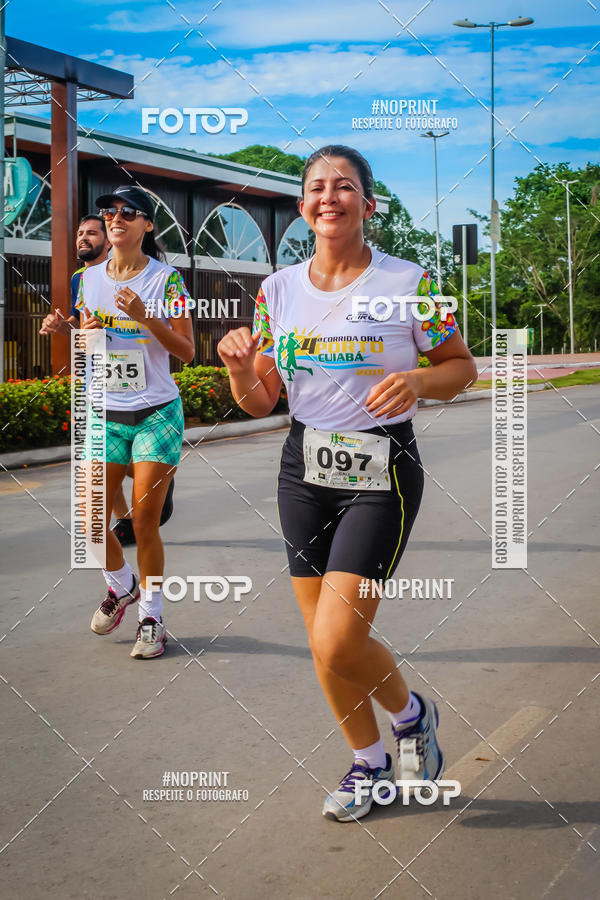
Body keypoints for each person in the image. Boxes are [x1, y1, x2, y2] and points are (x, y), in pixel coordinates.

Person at [218, 146, 477, 821]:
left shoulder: (411, 282)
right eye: (315, 188)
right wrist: (242, 370)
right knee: (324, 644)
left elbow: (461, 367)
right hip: (303, 467)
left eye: (344, 187)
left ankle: (412, 715)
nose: (328, 197)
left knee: (338, 639)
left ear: (368, 203)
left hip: (379, 469)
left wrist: (419, 379)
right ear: (302, 206)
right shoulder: (277, 290)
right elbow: (261, 399)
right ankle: (370, 765)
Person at [79, 185, 194, 659]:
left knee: (144, 520)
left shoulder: (168, 282)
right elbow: (87, 353)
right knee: (89, 521)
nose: (116, 217)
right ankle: (121, 585)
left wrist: (146, 318)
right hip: (106, 409)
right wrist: (80, 337)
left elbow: (187, 352)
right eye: (110, 211)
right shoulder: (85, 280)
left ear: (148, 225)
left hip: (156, 412)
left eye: (130, 212)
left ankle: (152, 616)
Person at [39, 214, 175, 546]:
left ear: (109, 239)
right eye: (79, 233)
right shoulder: (81, 279)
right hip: (97, 381)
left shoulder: (148, 276)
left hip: (144, 387)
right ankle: (125, 518)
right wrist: (64, 329)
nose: (83, 238)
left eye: (91, 233)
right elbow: (84, 330)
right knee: (95, 458)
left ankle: (156, 473)